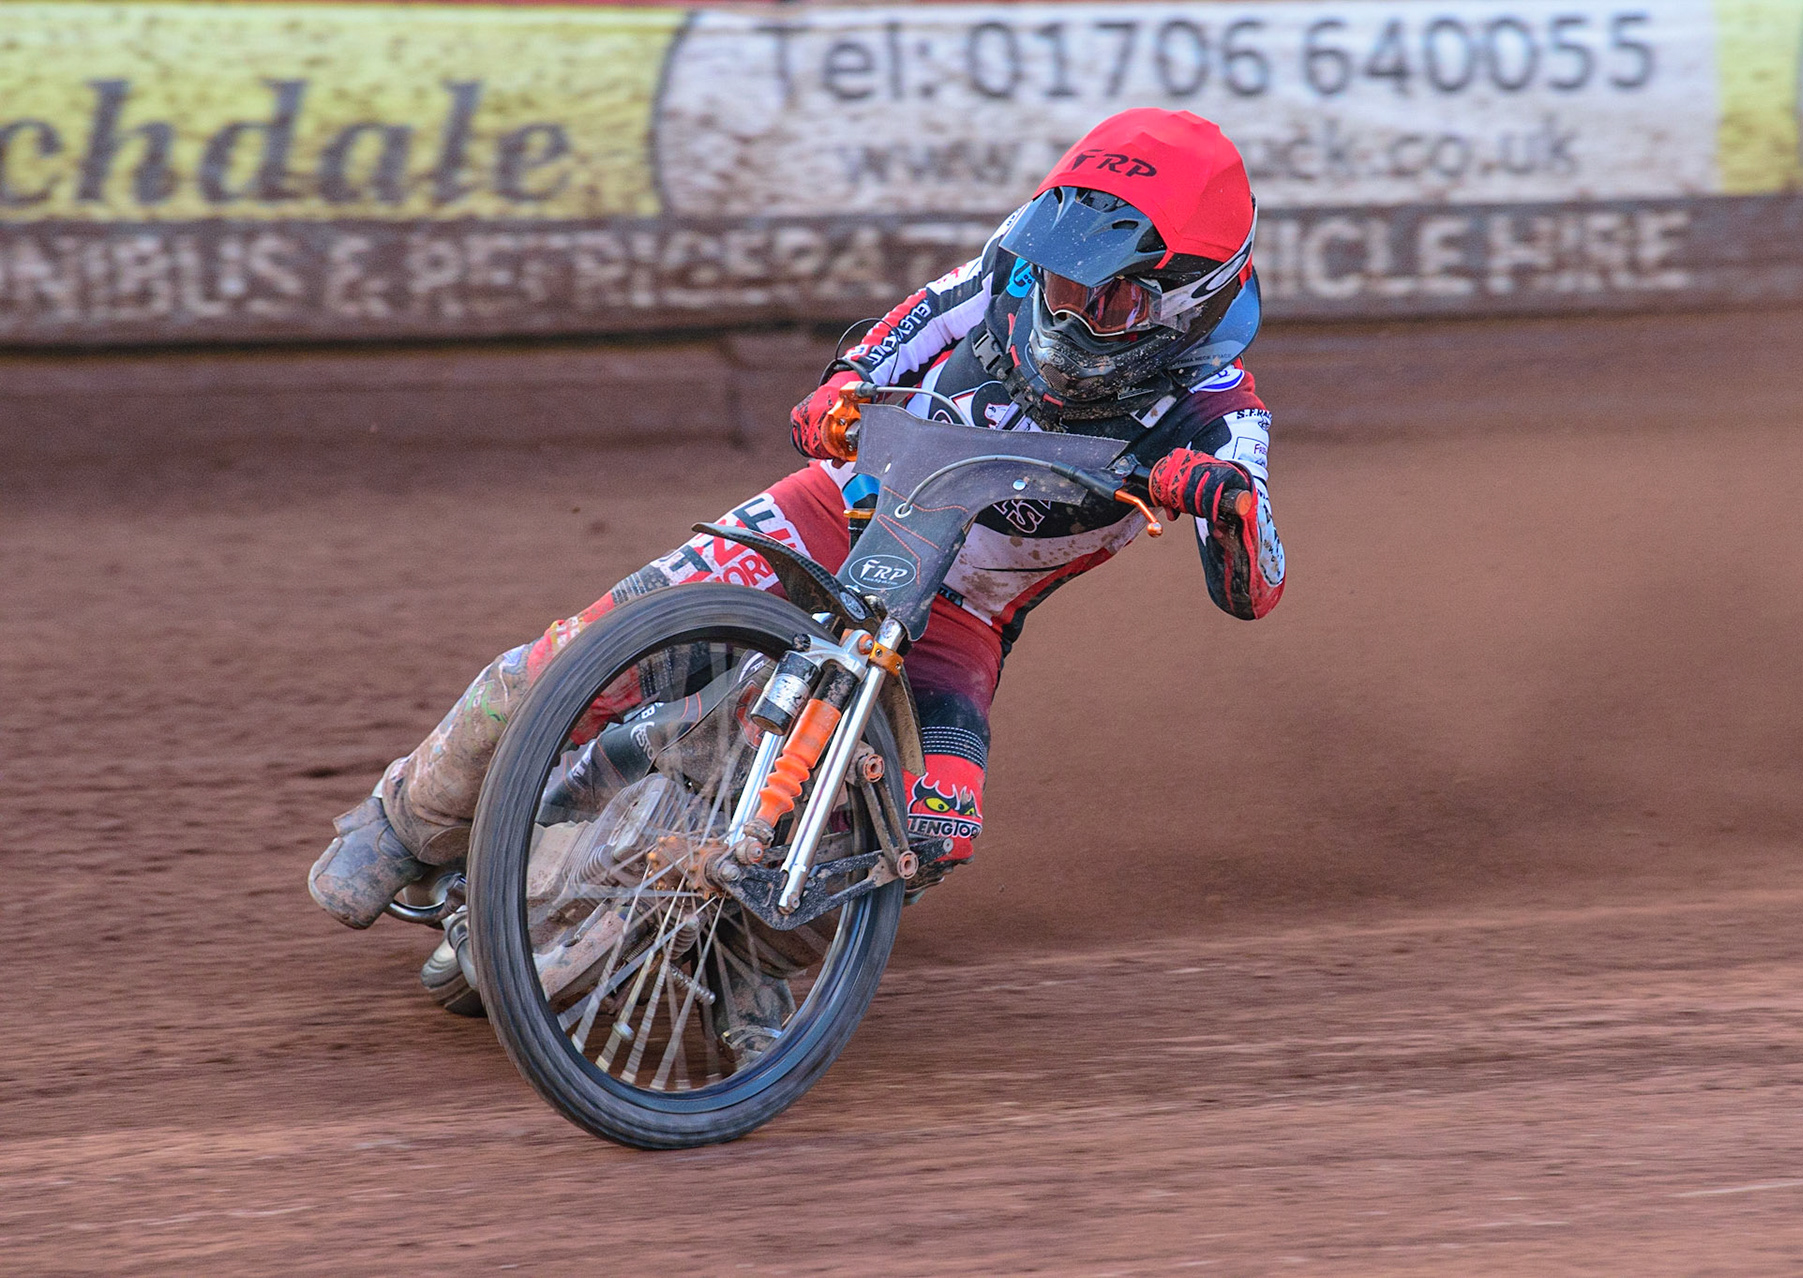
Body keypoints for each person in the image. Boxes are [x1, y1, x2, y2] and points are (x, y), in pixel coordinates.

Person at [308, 107, 1285, 929]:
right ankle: (403, 823)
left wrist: (1226, 508)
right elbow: (890, 342)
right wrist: (843, 395)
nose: (1063, 311)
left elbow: (1259, 585)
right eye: (1057, 274)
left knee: (928, 834)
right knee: (575, 654)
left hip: (959, 620)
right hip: (840, 516)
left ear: (1185, 304)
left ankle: (764, 974)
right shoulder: (1005, 280)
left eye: (1102, 298)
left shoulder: (1219, 414)